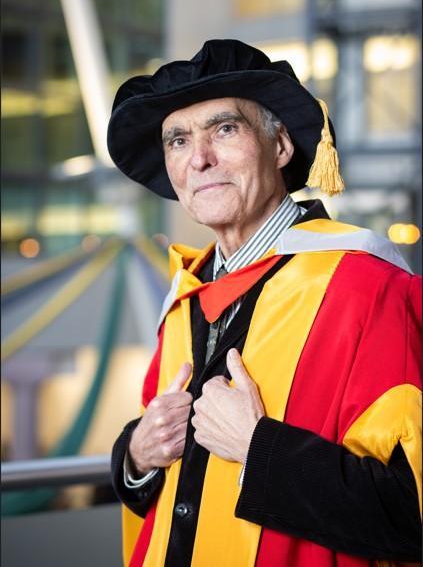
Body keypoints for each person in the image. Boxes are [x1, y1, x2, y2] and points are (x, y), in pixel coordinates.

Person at [108, 39, 421, 567]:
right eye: (178, 140)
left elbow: (409, 513)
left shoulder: (368, 288)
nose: (199, 159)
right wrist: (137, 454)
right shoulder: (186, 298)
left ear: (279, 147)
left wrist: (260, 450)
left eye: (224, 129)